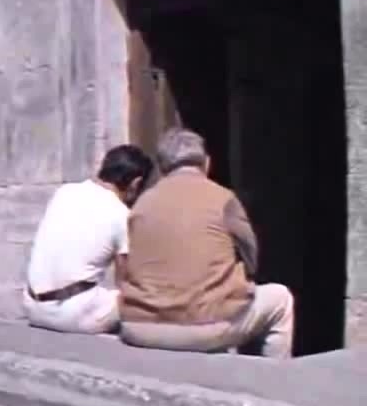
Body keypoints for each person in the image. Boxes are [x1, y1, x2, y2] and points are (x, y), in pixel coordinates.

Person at [119, 128, 295, 358]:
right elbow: (251, 257)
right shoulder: (224, 198)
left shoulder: (142, 203)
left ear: (161, 168)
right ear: (207, 163)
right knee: (280, 299)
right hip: (203, 327)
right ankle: (273, 377)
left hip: (139, 326)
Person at [22, 145, 153, 334]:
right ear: (135, 184)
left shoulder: (65, 192)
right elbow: (125, 281)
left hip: (32, 306)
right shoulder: (121, 214)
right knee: (132, 299)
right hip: (72, 315)